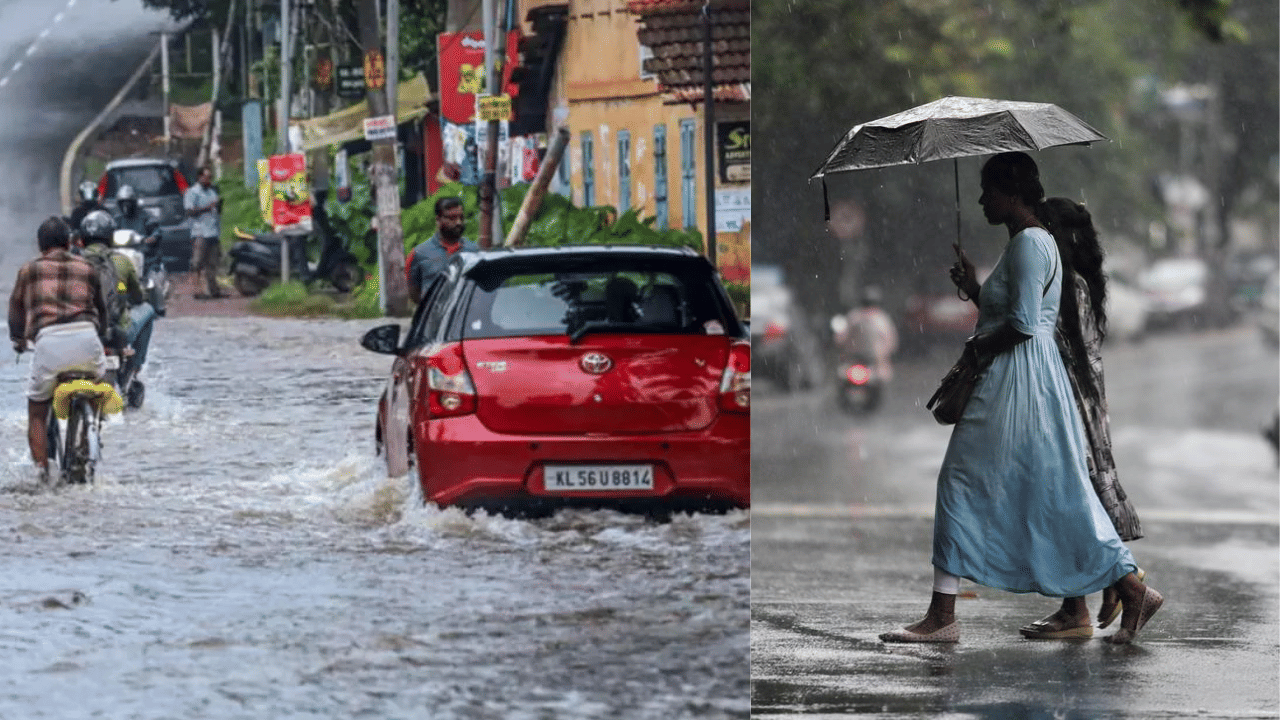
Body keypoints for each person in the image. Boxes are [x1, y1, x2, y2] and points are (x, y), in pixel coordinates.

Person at [880, 152, 1163, 646]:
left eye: (988, 190)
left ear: (1012, 192)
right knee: (1055, 491)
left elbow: (1025, 324)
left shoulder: (1031, 244)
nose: (982, 199)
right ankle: (1130, 587)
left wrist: (977, 346)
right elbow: (1011, 310)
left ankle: (942, 617)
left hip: (1016, 383)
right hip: (1025, 379)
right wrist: (974, 288)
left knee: (962, 483)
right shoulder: (1031, 243)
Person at [8, 217, 109, 483]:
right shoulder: (87, 267)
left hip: (49, 344)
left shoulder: (29, 270)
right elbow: (102, 309)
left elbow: (16, 310)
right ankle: (88, 439)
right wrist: (100, 335)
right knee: (97, 391)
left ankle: (42, 471)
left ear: (40, 246)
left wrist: (18, 339)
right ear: (69, 243)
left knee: (37, 412)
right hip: (87, 338)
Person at [80, 210, 155, 384]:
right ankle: (135, 367)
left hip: (81, 332)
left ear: (82, 239)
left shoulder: (73, 262)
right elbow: (137, 298)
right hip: (117, 332)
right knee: (148, 310)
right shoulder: (122, 261)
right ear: (110, 237)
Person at [405, 196, 478, 301]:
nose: (458, 223)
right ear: (438, 220)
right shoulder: (418, 254)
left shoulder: (474, 251)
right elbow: (414, 293)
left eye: (461, 217)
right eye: (452, 218)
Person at [837, 285, 898, 382]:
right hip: (869, 362)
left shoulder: (853, 316)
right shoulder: (882, 318)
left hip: (860, 362)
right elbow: (891, 342)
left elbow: (840, 339)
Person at [183, 166, 225, 299]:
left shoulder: (212, 191)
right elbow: (190, 211)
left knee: (212, 263)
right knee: (197, 263)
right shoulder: (192, 192)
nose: (209, 180)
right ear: (200, 177)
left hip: (213, 231)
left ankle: (213, 289)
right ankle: (197, 290)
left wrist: (218, 207)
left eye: (210, 177)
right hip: (200, 232)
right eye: (207, 177)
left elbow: (216, 208)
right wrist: (208, 208)